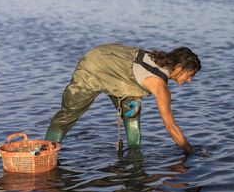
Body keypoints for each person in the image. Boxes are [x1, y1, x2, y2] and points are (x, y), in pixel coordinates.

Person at [44, 43, 201, 153]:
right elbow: (170, 127)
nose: (190, 80)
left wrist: (136, 101)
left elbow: (136, 76)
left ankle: (134, 159)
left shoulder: (159, 61)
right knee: (68, 114)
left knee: (132, 114)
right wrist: (190, 151)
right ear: (179, 68)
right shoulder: (160, 86)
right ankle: (46, 152)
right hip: (93, 65)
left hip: (116, 68)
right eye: (190, 75)